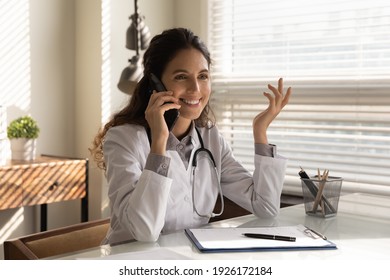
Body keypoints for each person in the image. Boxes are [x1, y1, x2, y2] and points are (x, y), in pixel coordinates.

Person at [90, 27, 292, 245]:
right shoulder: (124, 139)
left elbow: (266, 206)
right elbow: (145, 231)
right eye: (181, 77)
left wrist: (260, 131)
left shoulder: (211, 138)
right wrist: (159, 142)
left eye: (203, 76)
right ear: (156, 84)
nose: (195, 88)